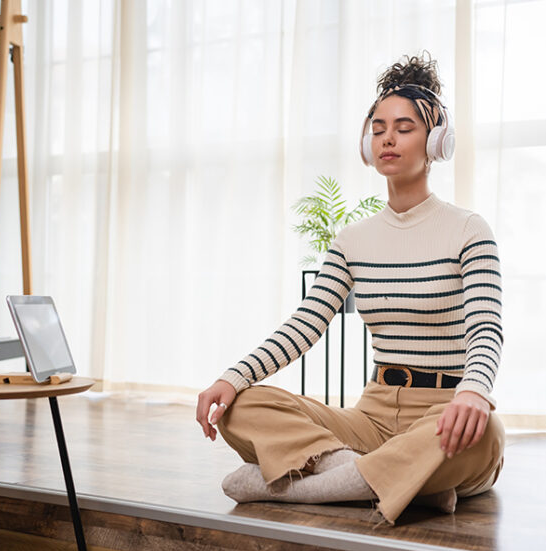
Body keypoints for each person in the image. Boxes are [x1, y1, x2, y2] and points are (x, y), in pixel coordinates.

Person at [195, 53, 504, 524]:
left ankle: (298, 487)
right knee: (242, 407)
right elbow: (305, 324)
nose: (388, 138)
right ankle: (399, 484)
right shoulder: (352, 240)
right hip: (372, 416)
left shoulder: (468, 229)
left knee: (485, 432)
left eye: (404, 127)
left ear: (437, 140)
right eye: (378, 127)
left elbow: (486, 327)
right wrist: (233, 377)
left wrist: (475, 392)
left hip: (442, 414)